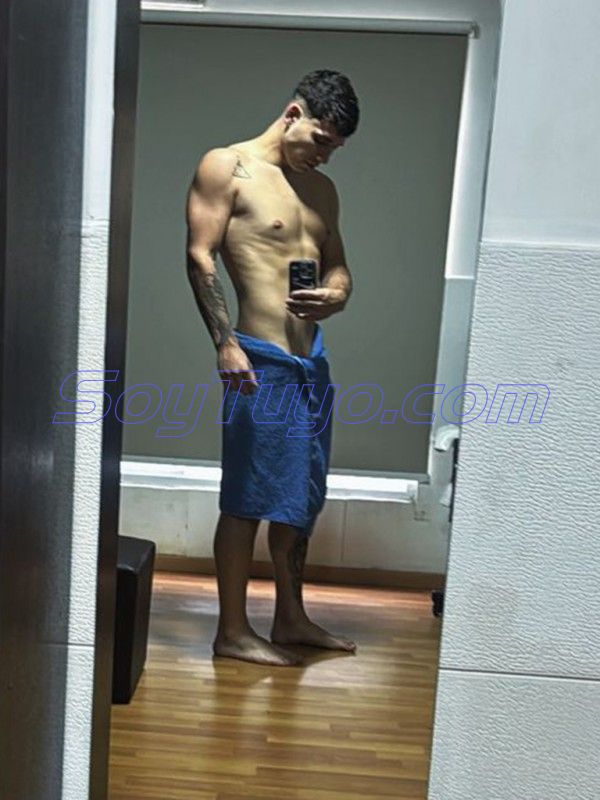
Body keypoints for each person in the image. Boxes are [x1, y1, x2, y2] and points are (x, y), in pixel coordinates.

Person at [185, 69, 359, 666]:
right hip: (258, 358)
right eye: (321, 139)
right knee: (247, 497)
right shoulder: (227, 166)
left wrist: (336, 293)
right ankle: (232, 631)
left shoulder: (322, 190)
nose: (325, 154)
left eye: (336, 147)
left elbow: (338, 264)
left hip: (311, 362)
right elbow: (200, 255)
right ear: (292, 114)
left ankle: (290, 618)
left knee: (302, 494)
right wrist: (224, 343)